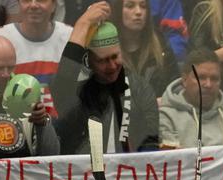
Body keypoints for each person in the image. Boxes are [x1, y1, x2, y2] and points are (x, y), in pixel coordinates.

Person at [51, 3, 160, 154]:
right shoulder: (78, 92)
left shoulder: (140, 88)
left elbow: (150, 142)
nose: (111, 66)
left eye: (115, 57)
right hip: (85, 172)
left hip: (128, 172)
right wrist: (83, 24)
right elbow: (63, 80)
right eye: (102, 61)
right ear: (89, 61)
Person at [160, 48, 223, 148]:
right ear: (185, 80)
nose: (208, 84)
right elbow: (170, 161)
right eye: (201, 78)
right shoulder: (165, 118)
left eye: (214, 78)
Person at [0, 0, 72, 116]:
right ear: (19, 3)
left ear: (55, 4)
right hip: (12, 126)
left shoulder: (71, 37)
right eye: (26, 0)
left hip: (62, 125)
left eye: (41, 0)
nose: (33, 5)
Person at [0, 35, 58, 158]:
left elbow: (52, 155)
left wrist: (42, 124)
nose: (6, 74)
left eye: (10, 67)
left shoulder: (24, 92)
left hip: (19, 174)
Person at [111, 0, 180, 98]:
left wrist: (166, 101)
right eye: (130, 6)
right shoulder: (106, 50)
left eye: (143, 6)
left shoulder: (161, 45)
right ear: (118, 11)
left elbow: (176, 87)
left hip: (160, 111)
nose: (139, 12)